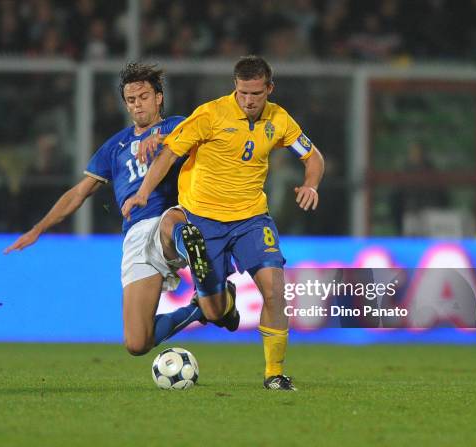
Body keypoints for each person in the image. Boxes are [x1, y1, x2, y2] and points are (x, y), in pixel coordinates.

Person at [123, 55, 325, 390]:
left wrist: (311, 184)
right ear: (235, 87)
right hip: (203, 219)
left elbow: (312, 156)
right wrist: (144, 192)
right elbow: (170, 152)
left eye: (256, 94)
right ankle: (216, 293)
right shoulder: (211, 114)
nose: (248, 101)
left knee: (275, 289)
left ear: (269, 89)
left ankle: (274, 374)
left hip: (251, 219)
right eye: (243, 93)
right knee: (215, 312)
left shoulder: (279, 119)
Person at [4, 63, 220, 356]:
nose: (137, 105)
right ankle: (199, 309)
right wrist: (38, 229)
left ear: (158, 97)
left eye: (143, 97)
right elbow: (79, 193)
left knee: (172, 224)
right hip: (135, 237)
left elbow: (213, 145)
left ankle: (198, 256)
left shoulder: (178, 126)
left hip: (173, 214)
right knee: (137, 343)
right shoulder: (114, 147)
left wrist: (165, 140)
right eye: (131, 100)